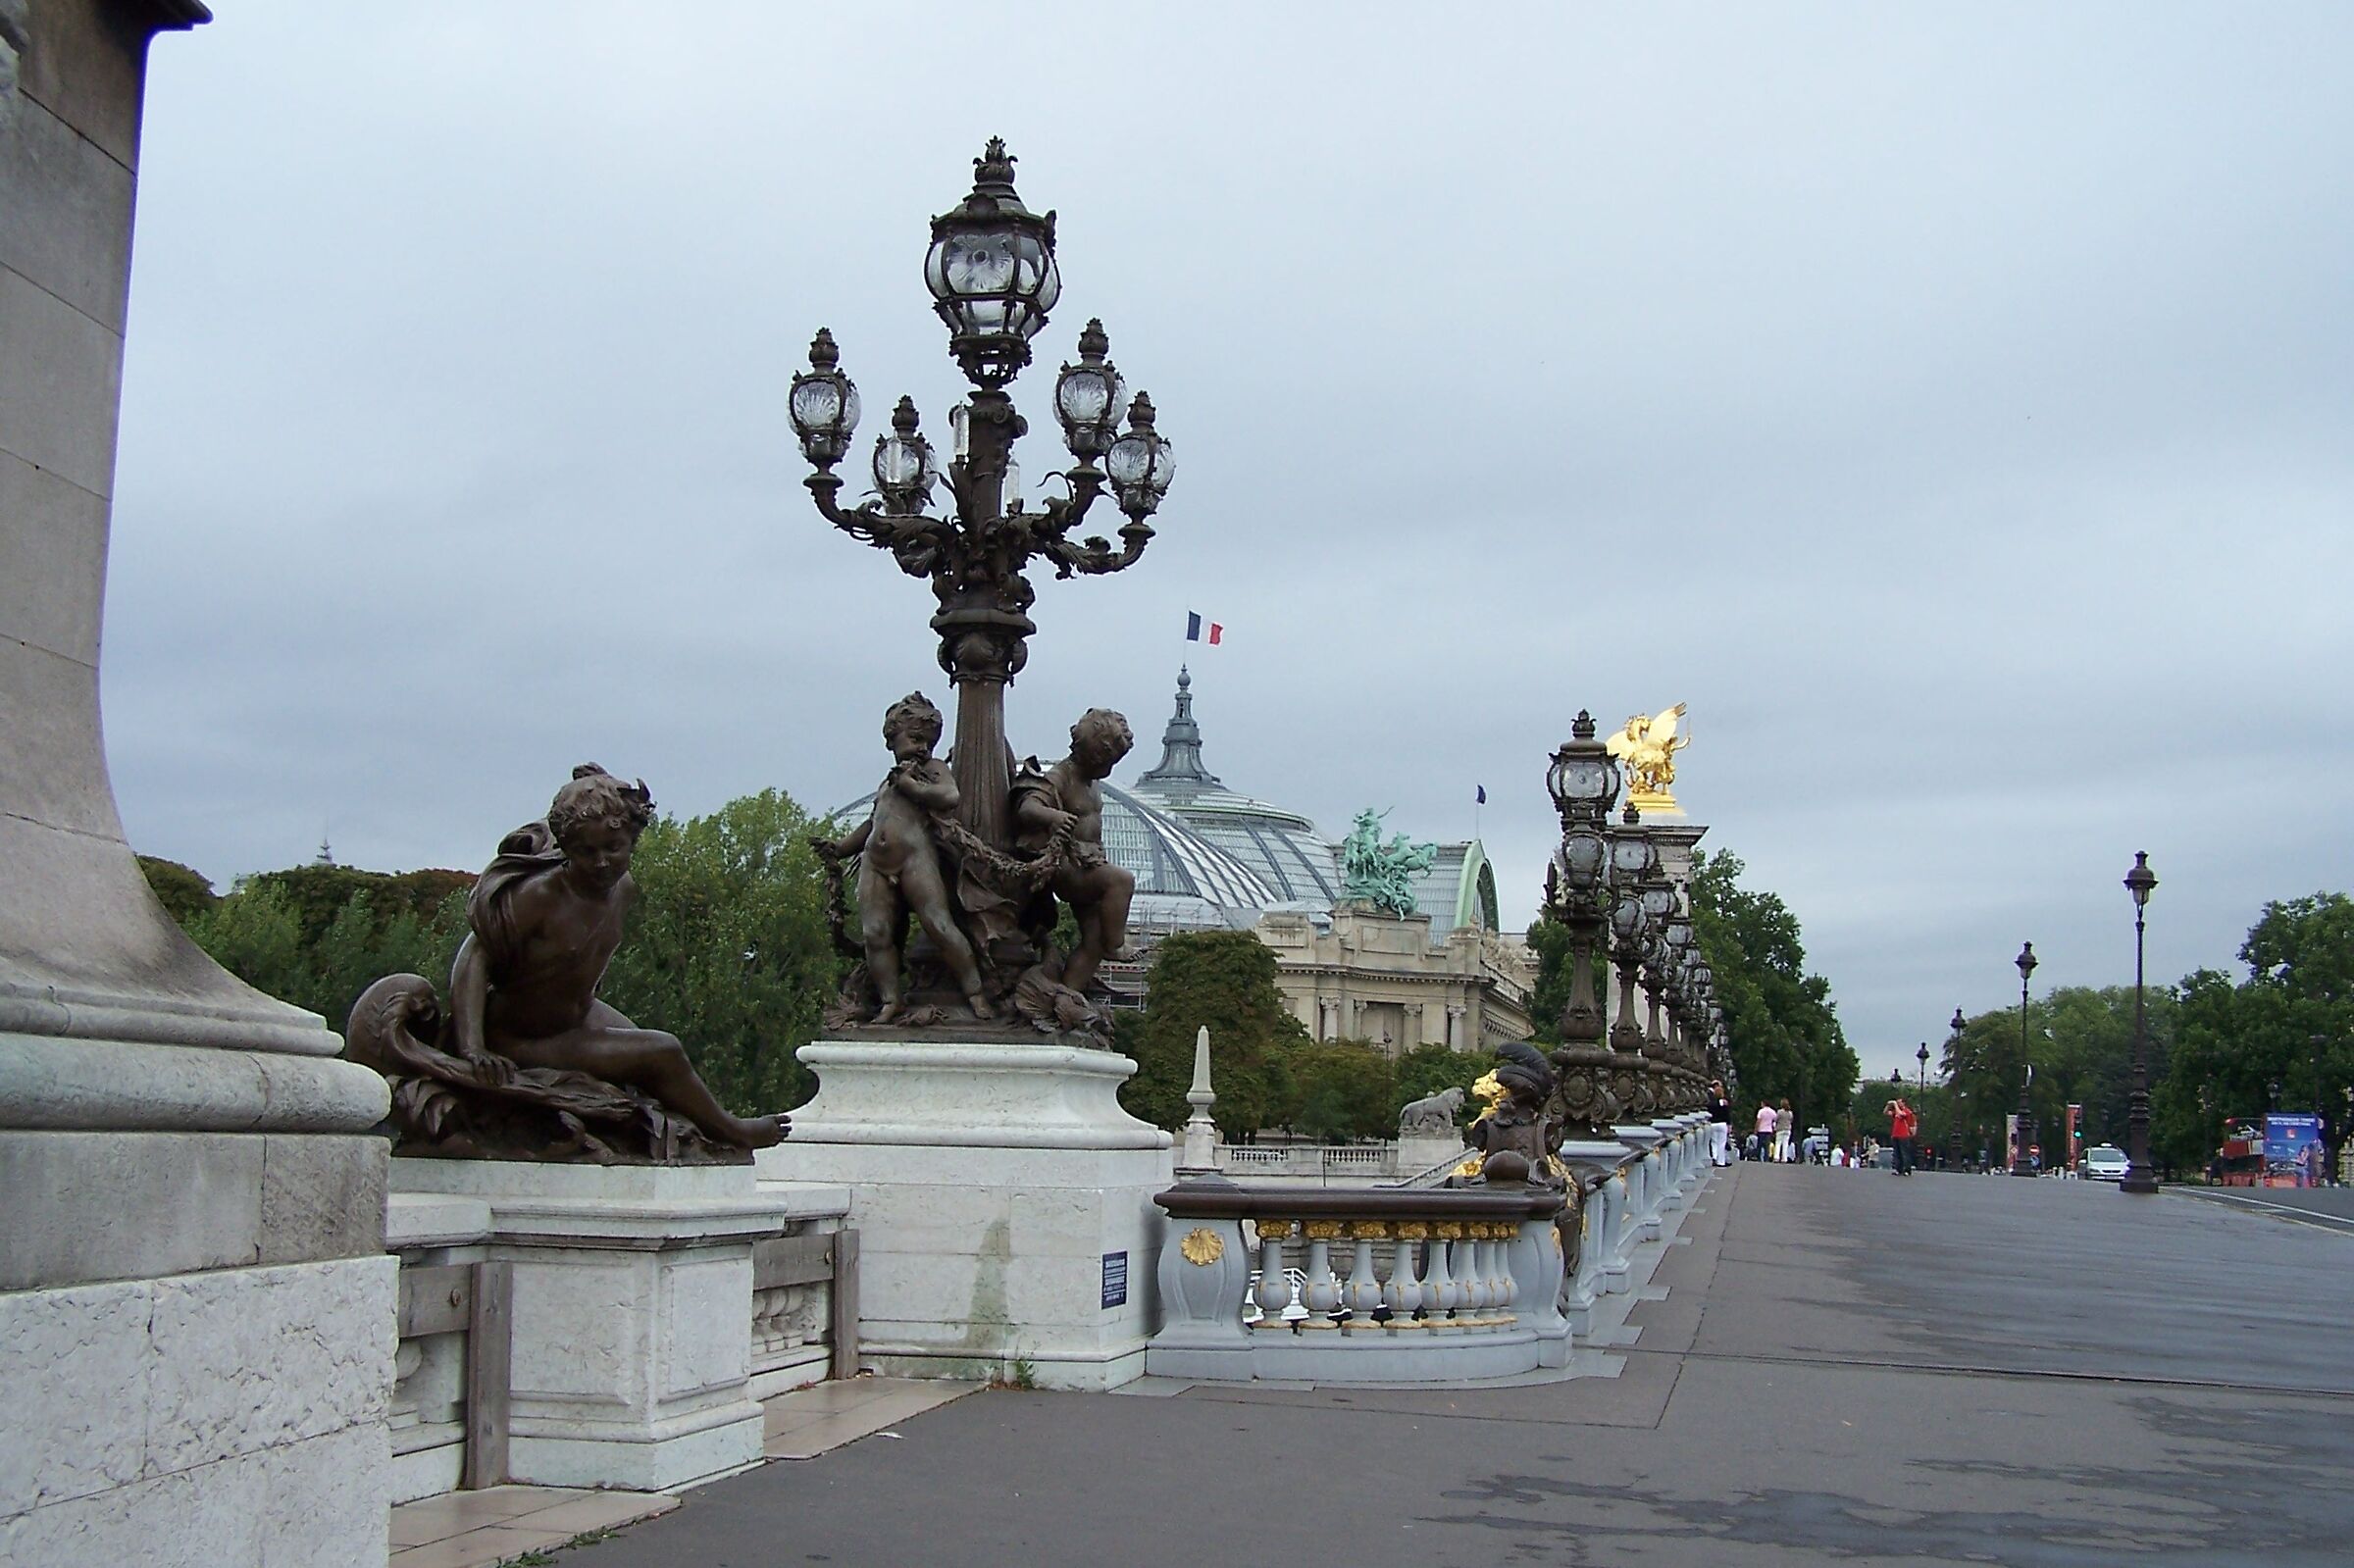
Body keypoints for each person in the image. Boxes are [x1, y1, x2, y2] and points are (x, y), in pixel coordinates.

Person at [451, 765, 788, 1149]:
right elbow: (473, 957)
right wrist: (472, 1047)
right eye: (586, 852)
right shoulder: (541, 895)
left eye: (613, 848)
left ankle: (681, 1129)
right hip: (524, 1037)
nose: (601, 862)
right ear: (566, 848)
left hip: (578, 1016)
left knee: (648, 1062)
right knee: (662, 1051)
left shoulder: (623, 889)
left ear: (632, 840)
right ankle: (731, 1130)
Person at [818, 693, 996, 1024]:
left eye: (928, 742)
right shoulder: (887, 783)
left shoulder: (930, 770)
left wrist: (914, 787)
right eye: (915, 740)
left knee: (939, 925)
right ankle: (890, 1000)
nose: (923, 749)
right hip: (875, 863)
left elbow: (950, 795)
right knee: (875, 933)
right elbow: (873, 823)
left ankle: (975, 993)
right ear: (892, 738)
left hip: (916, 858)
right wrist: (841, 847)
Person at [1011, 709, 1138, 995]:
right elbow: (1027, 807)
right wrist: (1053, 817)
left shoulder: (1092, 781)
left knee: (1092, 942)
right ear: (1092, 754)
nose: (1109, 769)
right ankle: (1116, 944)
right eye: (1106, 762)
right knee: (1122, 881)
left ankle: (1066, 997)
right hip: (1069, 867)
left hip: (1090, 863)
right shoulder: (1062, 776)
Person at [1885, 1095, 1918, 1176]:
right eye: (1897, 1102)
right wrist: (1888, 1105)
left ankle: (1907, 1169)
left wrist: (1895, 1104)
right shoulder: (1895, 1111)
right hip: (1895, 1134)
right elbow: (1886, 1112)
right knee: (1897, 1153)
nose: (1898, 1104)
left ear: (1904, 1103)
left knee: (1904, 1153)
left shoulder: (1907, 1111)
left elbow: (1901, 1114)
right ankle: (1898, 1169)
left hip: (1904, 1135)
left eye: (1899, 1102)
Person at [1706, 1079, 1734, 1166]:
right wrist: (1729, 1124)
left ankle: (1714, 1157)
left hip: (1713, 1123)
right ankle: (1721, 1161)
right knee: (1721, 1143)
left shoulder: (1711, 1104)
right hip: (1722, 1124)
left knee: (1714, 1142)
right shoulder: (1724, 1103)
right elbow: (1727, 1115)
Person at [1773, 1098, 1796, 1162]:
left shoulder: (1780, 1112)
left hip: (1780, 1129)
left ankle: (1776, 1157)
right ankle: (1784, 1158)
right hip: (1788, 1129)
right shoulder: (1790, 1113)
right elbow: (1791, 1120)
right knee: (1785, 1144)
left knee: (1778, 1143)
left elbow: (1776, 1119)